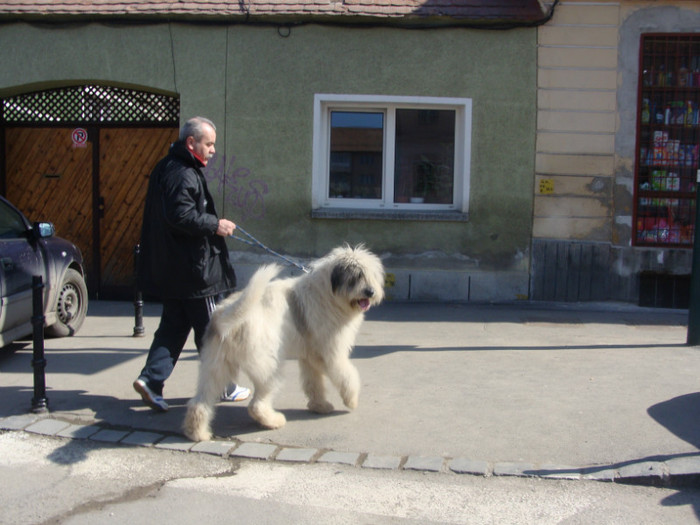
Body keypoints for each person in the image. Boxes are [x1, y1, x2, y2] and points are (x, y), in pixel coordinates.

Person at [133, 116, 250, 412]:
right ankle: (223, 386)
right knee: (214, 331)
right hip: (195, 272)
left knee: (173, 328)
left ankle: (151, 381)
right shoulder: (183, 173)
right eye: (209, 144)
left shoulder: (168, 167)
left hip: (177, 270)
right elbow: (179, 216)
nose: (212, 150)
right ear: (191, 143)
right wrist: (215, 224)